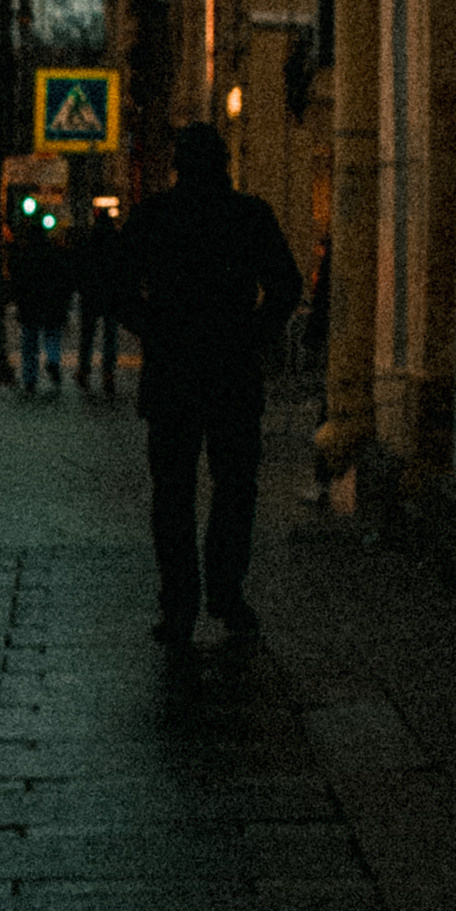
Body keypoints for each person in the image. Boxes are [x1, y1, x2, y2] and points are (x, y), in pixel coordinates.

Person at [115, 120, 304, 644]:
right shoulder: (248, 215)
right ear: (224, 163)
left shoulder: (155, 217)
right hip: (231, 372)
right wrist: (253, 333)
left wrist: (156, 328)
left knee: (172, 494)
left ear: (177, 165)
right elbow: (286, 286)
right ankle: (226, 593)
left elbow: (118, 288)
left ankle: (179, 604)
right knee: (235, 487)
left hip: (173, 373)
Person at [7, 213, 72, 395]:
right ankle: (52, 360)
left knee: (29, 342)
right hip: (51, 304)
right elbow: (65, 279)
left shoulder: (24, 256)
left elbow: (17, 281)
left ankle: (29, 377)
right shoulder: (54, 255)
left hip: (30, 305)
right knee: (51, 335)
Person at [72, 206, 124, 396]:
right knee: (110, 336)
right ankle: (108, 373)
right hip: (111, 294)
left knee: (88, 335)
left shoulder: (89, 241)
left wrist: (82, 287)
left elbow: (79, 266)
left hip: (91, 295)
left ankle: (84, 370)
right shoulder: (116, 242)